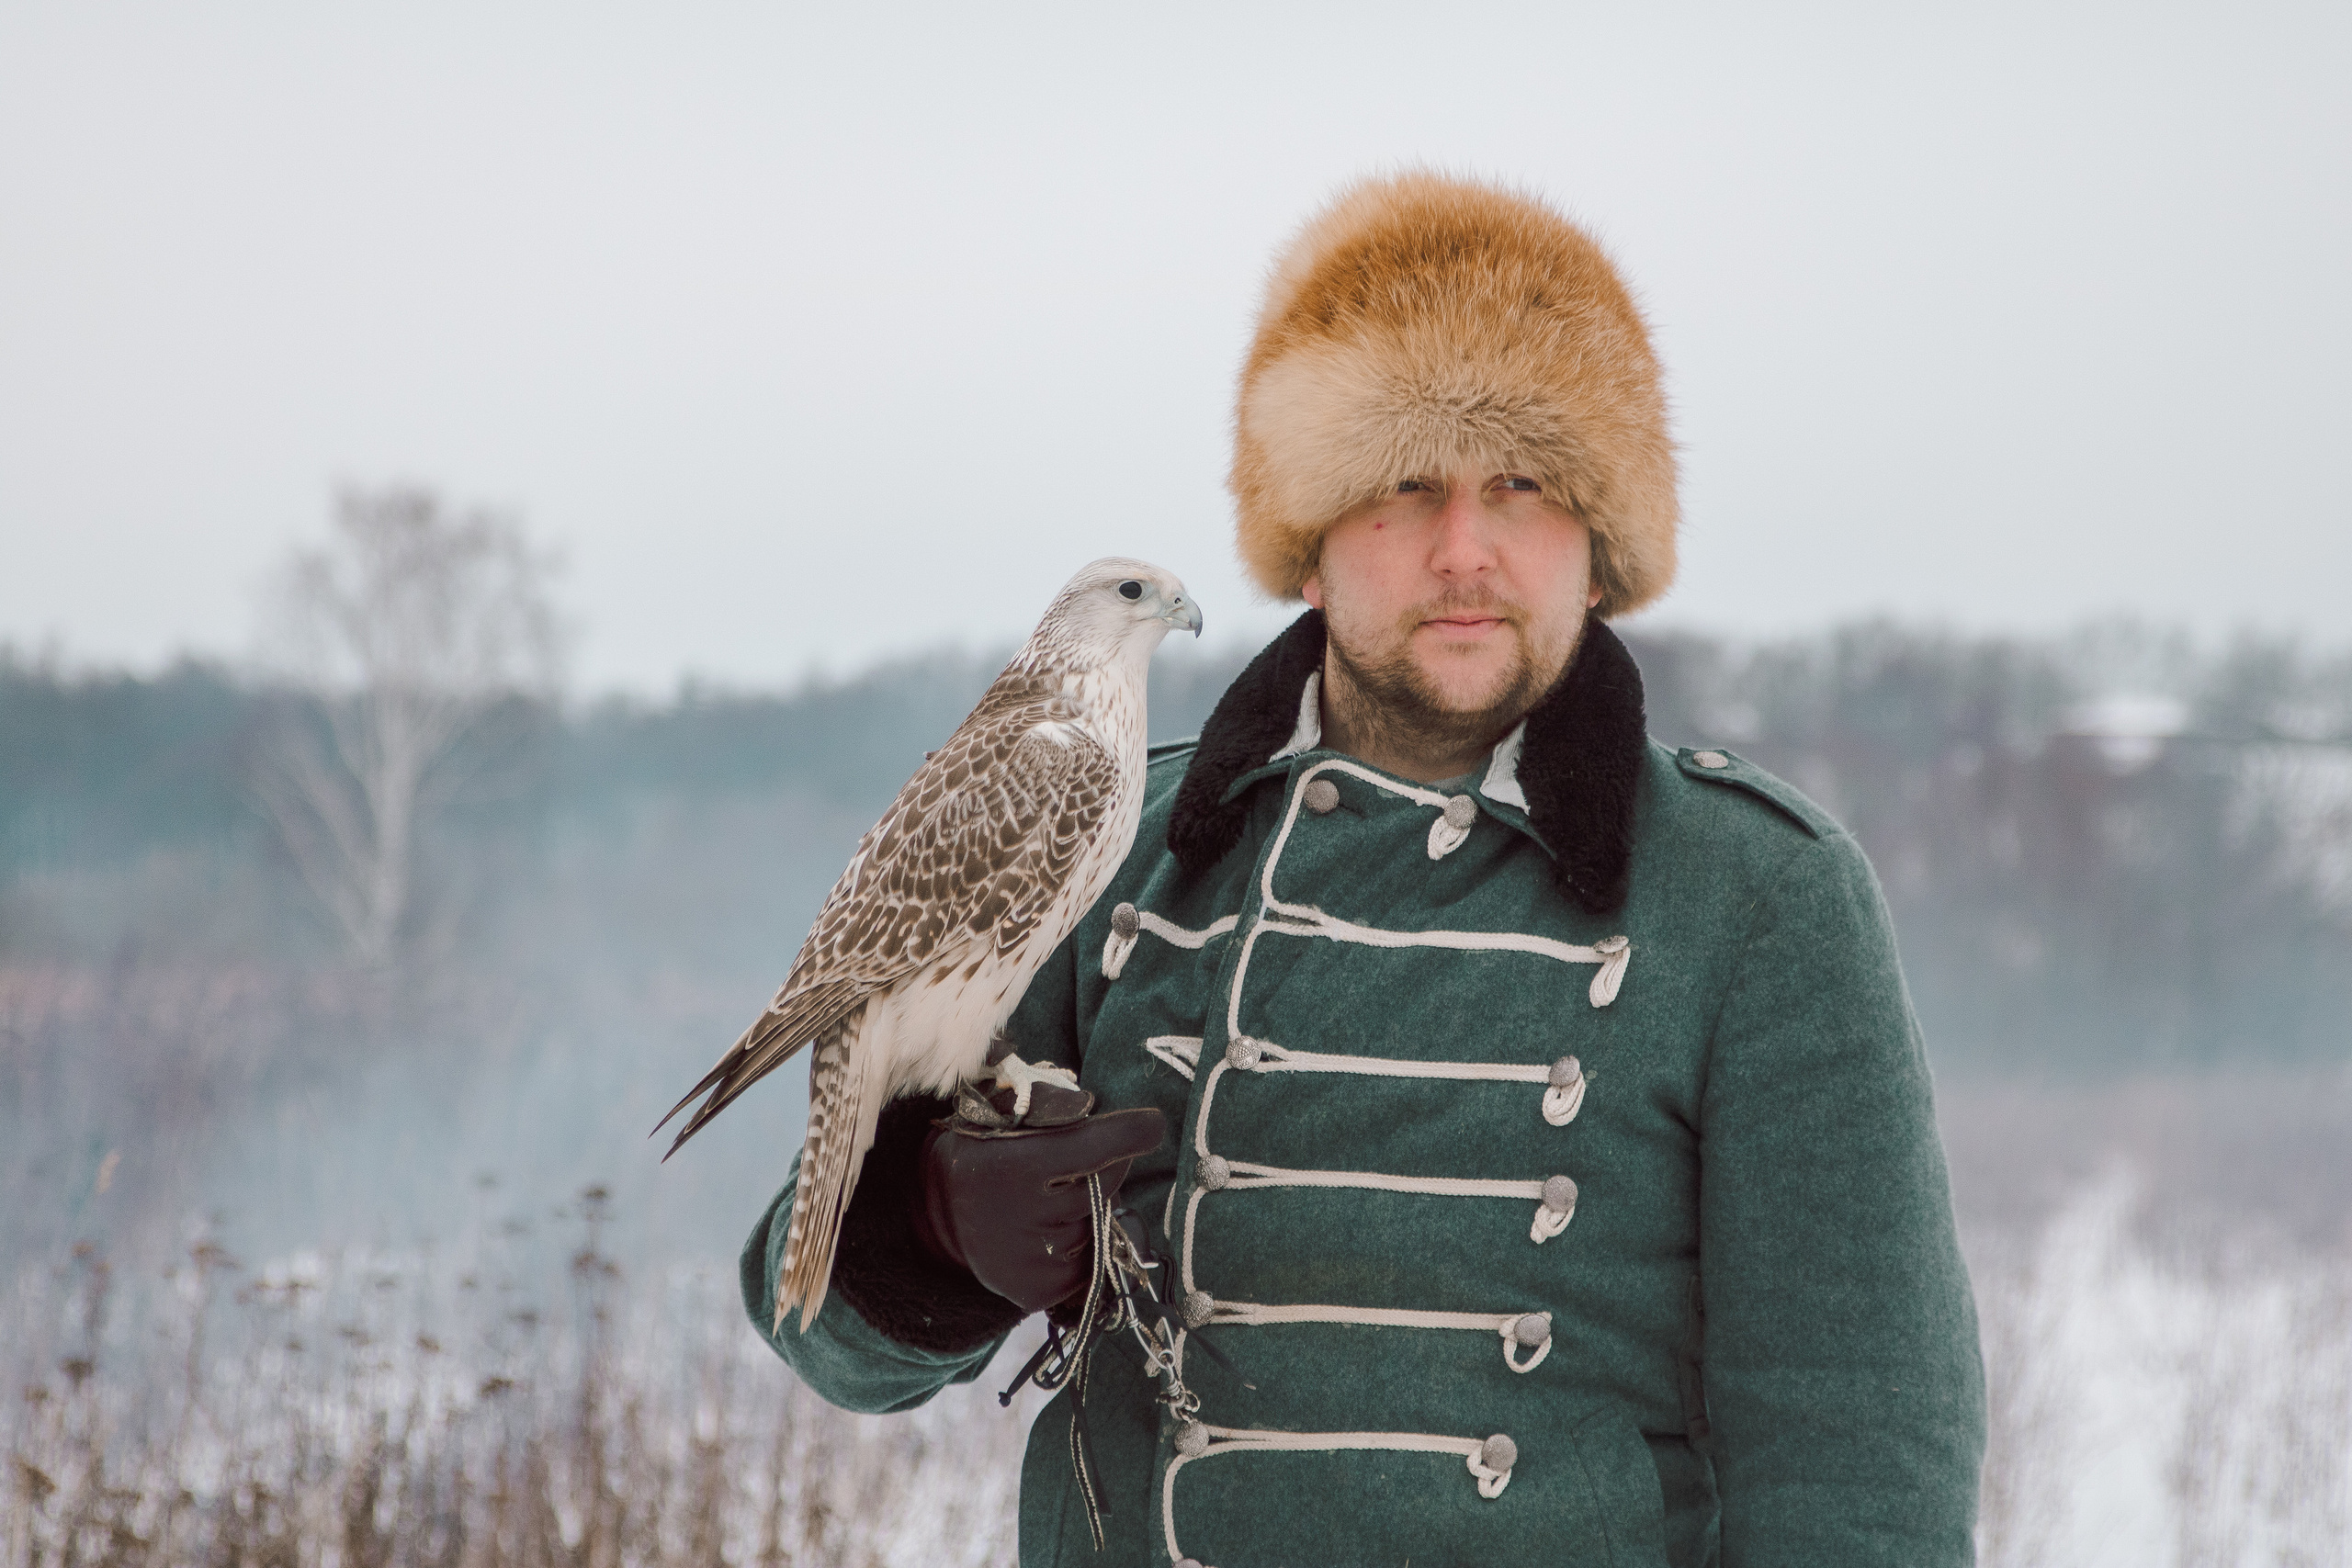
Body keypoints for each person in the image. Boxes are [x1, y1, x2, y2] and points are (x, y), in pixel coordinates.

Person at [741, 172, 1986, 1568]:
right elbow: (820, 1343)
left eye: (1522, 482)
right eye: (1402, 486)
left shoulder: (1758, 898)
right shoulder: (1118, 843)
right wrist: (927, 1224)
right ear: (1313, 546)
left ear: (1599, 546)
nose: (1464, 549)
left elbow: (1860, 1460)